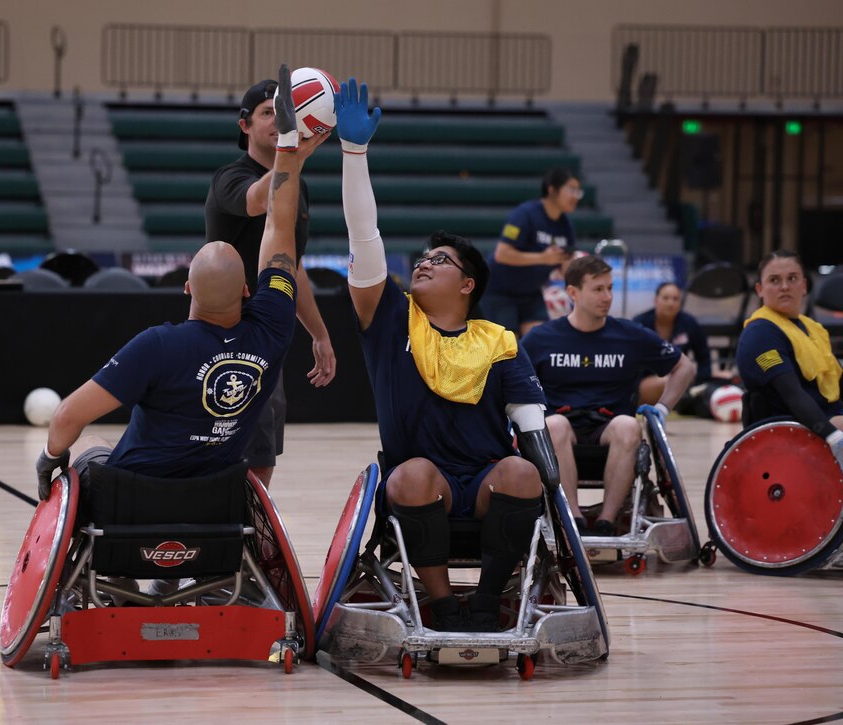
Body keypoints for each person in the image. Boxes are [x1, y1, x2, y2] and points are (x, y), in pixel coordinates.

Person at [337, 77, 556, 632]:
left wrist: (549, 475)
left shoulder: (500, 339)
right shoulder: (390, 317)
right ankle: (441, 602)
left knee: (522, 472)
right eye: (425, 257)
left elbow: (531, 422)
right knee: (411, 474)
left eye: (441, 260)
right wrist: (354, 154)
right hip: (419, 482)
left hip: (483, 483)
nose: (425, 263)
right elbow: (365, 239)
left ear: (467, 286)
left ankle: (485, 600)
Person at [36, 63, 305, 497]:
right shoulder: (273, 331)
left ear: (186, 289)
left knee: (90, 442)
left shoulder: (156, 345)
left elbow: (68, 416)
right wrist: (293, 146)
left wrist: (49, 458)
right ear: (244, 290)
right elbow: (280, 231)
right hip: (214, 504)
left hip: (135, 507)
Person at [204, 77, 336, 486]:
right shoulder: (230, 176)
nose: (279, 121)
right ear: (244, 125)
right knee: (227, 450)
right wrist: (293, 154)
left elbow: (291, 266)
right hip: (224, 331)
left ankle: (252, 541)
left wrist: (318, 333)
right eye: (269, 113)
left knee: (262, 457)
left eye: (285, 113)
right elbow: (260, 199)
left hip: (269, 331)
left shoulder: (300, 185)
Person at [522, 255, 695, 536]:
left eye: (610, 288)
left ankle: (606, 521)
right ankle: (572, 518)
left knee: (629, 425)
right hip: (562, 430)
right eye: (598, 289)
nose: (607, 296)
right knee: (553, 425)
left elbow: (683, 366)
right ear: (573, 293)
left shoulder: (629, 334)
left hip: (609, 428)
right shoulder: (541, 338)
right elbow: (509, 376)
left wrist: (662, 408)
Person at [736, 251, 843, 469]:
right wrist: (834, 437)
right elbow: (792, 396)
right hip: (789, 429)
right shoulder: (760, 333)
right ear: (760, 289)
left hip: (825, 419)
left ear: (804, 286)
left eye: (792, 279)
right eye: (774, 280)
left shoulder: (814, 329)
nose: (784, 286)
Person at [481, 167, 581, 338]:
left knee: (538, 342)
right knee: (508, 348)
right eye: (571, 189)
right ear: (551, 189)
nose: (576, 196)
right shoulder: (525, 214)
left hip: (531, 293)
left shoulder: (565, 226)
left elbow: (567, 268)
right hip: (499, 291)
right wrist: (543, 258)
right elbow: (502, 254)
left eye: (579, 191)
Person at [633, 281, 719, 408]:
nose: (670, 303)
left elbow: (703, 355)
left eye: (675, 299)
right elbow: (631, 360)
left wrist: (702, 381)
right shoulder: (640, 323)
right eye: (666, 298)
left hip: (679, 377)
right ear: (656, 300)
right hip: (645, 382)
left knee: (688, 374)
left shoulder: (689, 323)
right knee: (669, 380)